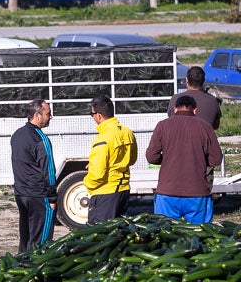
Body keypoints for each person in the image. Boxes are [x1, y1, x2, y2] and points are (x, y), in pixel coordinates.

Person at [146, 95, 224, 224]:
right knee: (199, 236)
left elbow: (151, 157)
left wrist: (167, 159)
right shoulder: (205, 127)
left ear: (175, 109)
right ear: (195, 110)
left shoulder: (162, 126)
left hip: (167, 193)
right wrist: (199, 161)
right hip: (197, 193)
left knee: (167, 235)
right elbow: (216, 159)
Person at [11, 99, 57, 251]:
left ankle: (21, 267)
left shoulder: (17, 135)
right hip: (37, 195)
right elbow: (48, 171)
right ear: (37, 115)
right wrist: (52, 197)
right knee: (40, 242)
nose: (51, 117)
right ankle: (35, 269)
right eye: (48, 114)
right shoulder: (41, 139)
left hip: (21, 194)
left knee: (26, 237)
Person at [84, 95, 137, 223]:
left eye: (92, 115)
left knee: (100, 239)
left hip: (105, 193)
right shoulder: (127, 132)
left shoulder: (102, 139)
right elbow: (132, 160)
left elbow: (97, 175)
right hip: (123, 191)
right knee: (117, 236)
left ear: (99, 116)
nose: (93, 118)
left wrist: (87, 183)